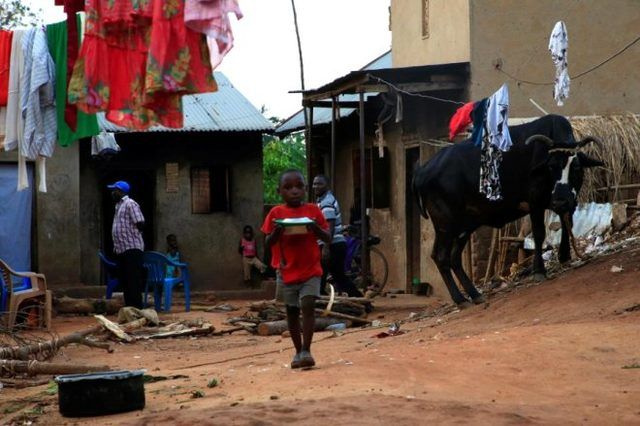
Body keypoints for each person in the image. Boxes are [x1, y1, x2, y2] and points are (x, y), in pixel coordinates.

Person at [262, 169, 330, 369]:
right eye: (288, 187)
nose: (294, 191)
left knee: (308, 305)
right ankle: (298, 351)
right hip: (286, 270)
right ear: (279, 191)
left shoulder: (313, 211)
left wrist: (314, 228)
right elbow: (267, 242)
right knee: (291, 311)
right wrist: (277, 231)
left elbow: (327, 236)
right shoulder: (276, 213)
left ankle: (307, 349)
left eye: (299, 186)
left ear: (306, 189)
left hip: (310, 269)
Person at [313, 175, 363, 298]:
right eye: (314, 184)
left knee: (334, 275)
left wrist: (326, 247)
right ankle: (322, 300)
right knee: (330, 275)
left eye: (320, 184)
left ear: (327, 185)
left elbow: (329, 227)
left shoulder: (326, 202)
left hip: (332, 244)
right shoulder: (322, 201)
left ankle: (359, 298)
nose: (316, 187)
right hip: (332, 243)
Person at [109, 180, 145, 309]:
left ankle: (137, 308)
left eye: (115, 190)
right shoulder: (118, 206)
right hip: (121, 249)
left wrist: (132, 235)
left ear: (121, 191)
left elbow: (140, 223)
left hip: (132, 248)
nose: (113, 193)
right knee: (125, 280)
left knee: (133, 279)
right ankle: (129, 307)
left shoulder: (130, 204)